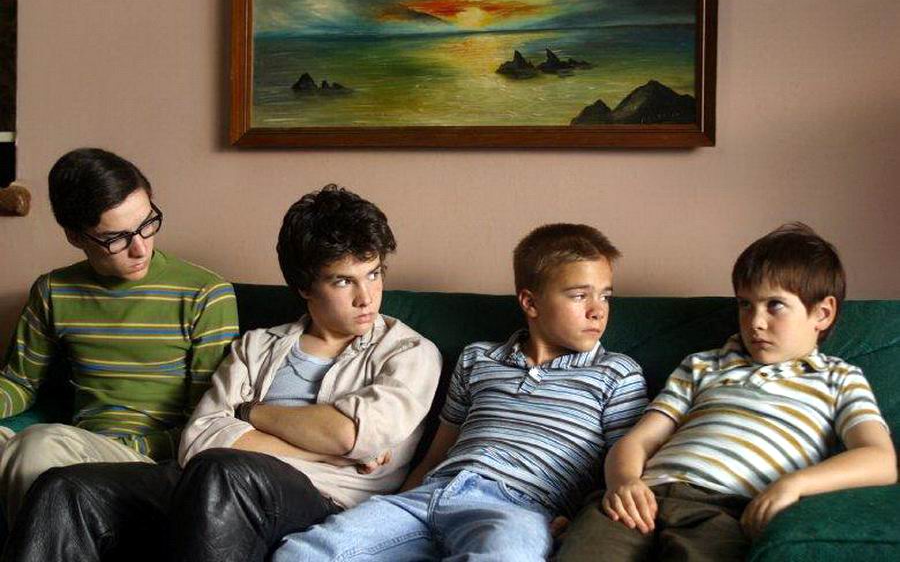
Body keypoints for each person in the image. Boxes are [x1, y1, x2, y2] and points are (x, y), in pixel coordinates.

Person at [2, 184, 442, 562]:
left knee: (224, 471)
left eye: (374, 274)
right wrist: (321, 443)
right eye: (344, 281)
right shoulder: (257, 346)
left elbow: (351, 435)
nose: (367, 297)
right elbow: (199, 440)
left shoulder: (409, 352)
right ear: (304, 286)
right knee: (64, 488)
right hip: (207, 481)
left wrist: (250, 414)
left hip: (323, 499)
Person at [273, 223, 648, 562]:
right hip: (433, 492)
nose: (598, 311)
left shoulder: (616, 373)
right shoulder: (478, 359)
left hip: (521, 506)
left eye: (605, 296)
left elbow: (621, 464)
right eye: (580, 296)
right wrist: (395, 504)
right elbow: (437, 453)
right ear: (530, 302)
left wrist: (578, 521)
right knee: (301, 552)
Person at [557, 223, 898, 562]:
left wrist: (793, 486)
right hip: (643, 496)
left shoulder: (838, 378)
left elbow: (880, 460)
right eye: (745, 304)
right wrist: (624, 482)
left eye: (775, 305)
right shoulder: (703, 365)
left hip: (725, 511)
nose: (755, 322)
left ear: (822, 313)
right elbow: (639, 440)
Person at [0, 148, 238, 523]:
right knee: (29, 447)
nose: (140, 248)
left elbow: (208, 421)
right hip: (75, 449)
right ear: (75, 237)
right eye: (116, 238)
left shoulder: (206, 294)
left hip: (156, 465)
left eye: (148, 223)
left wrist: (124, 445)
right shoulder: (53, 291)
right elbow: (20, 382)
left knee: (36, 448)